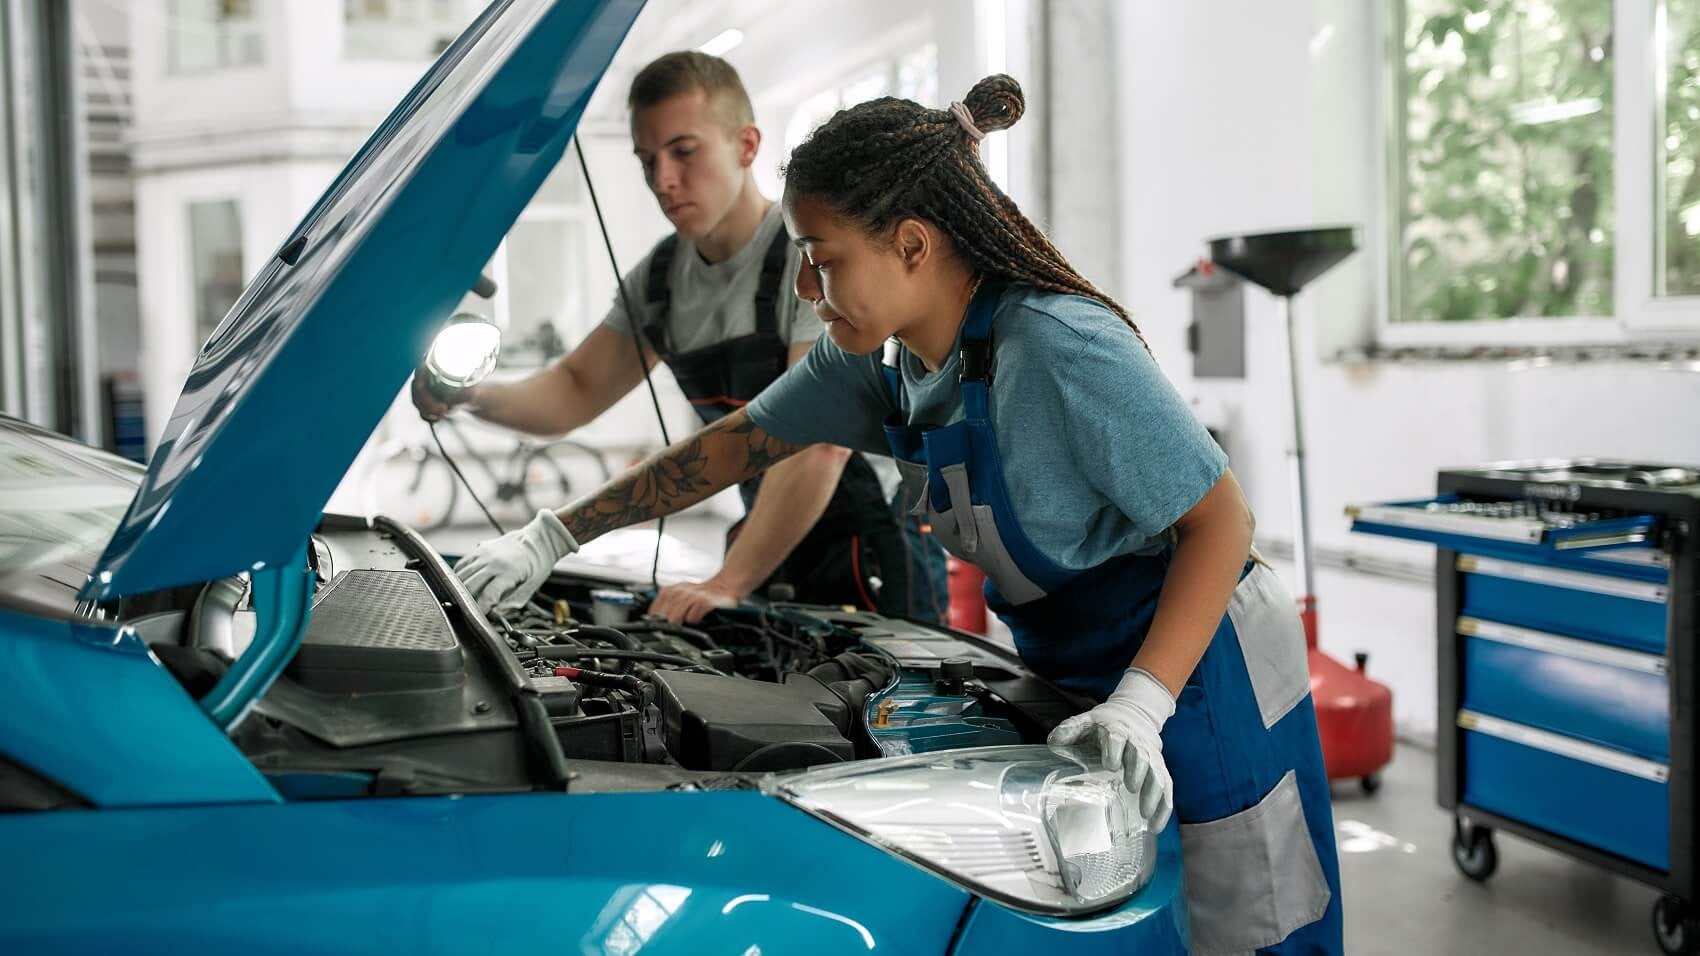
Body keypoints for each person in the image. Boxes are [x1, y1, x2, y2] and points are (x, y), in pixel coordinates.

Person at [453, 74, 1342, 954]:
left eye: (824, 256)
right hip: (1077, 663)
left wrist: (1144, 704)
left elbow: (1222, 524)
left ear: (912, 246)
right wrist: (558, 532)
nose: (807, 286)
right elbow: (731, 445)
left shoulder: (1058, 346)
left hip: (1202, 659)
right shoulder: (879, 364)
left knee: (1248, 919)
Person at [413, 51, 945, 625]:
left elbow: (816, 442)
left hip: (871, 552)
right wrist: (468, 395)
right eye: (647, 160)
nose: (663, 181)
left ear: (746, 145)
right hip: (763, 549)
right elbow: (574, 389)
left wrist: (728, 580)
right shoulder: (660, 281)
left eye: (684, 152)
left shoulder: (815, 261)